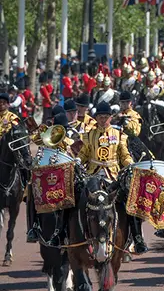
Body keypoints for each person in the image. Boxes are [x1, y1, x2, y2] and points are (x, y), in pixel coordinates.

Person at [76, 101, 146, 253]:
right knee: (77, 195)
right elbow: (84, 153)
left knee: (130, 197)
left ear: (111, 118)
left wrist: (129, 164)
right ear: (96, 118)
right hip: (93, 174)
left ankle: (137, 237)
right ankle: (70, 234)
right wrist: (78, 160)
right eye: (100, 117)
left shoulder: (119, 134)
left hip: (113, 175)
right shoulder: (89, 135)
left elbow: (124, 154)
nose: (103, 120)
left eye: (106, 117)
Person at [26, 113, 75, 245]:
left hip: (65, 178)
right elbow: (35, 139)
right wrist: (37, 130)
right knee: (31, 188)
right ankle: (33, 226)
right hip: (47, 178)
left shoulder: (71, 142)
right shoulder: (47, 139)